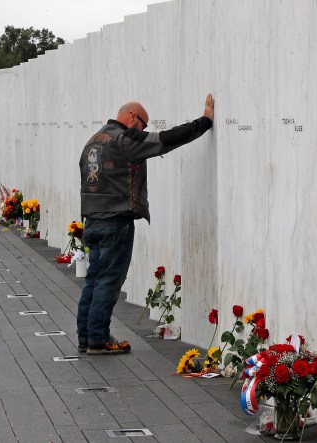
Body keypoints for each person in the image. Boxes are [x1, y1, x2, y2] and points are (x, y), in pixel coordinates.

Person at [77, 94, 215, 355]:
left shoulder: (92, 140)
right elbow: (164, 140)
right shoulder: (124, 140)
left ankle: (85, 336)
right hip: (115, 222)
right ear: (132, 118)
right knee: (108, 281)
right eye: (143, 124)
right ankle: (98, 339)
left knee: (93, 280)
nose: (144, 130)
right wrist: (203, 122)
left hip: (92, 221)